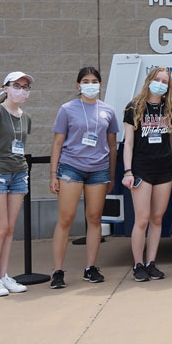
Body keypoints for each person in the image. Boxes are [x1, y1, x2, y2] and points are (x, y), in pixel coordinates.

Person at [48, 67, 120, 289]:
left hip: (98, 170)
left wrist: (111, 174)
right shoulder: (67, 109)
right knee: (66, 219)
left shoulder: (108, 110)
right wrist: (53, 174)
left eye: (95, 81)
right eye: (86, 81)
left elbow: (112, 145)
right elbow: (58, 143)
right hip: (71, 168)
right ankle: (58, 271)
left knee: (95, 218)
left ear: (100, 84)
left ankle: (90, 268)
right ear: (78, 85)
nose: (91, 84)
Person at [121, 67, 172, 281]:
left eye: (165, 81)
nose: (160, 83)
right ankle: (138, 264)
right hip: (141, 169)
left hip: (164, 169)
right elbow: (128, 143)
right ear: (149, 80)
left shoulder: (169, 108)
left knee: (157, 218)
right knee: (142, 219)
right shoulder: (134, 107)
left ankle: (151, 262)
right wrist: (128, 170)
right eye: (157, 79)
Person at [0, 71, 34, 297]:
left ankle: (3, 275)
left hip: (19, 175)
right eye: (16, 85)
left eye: (25, 86)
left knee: (10, 228)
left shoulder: (26, 117)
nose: (21, 90)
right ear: (5, 87)